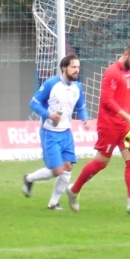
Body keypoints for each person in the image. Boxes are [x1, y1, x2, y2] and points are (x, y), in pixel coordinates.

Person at [65, 41, 130, 215]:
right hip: (109, 125)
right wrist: (128, 116)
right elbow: (107, 101)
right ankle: (74, 189)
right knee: (102, 162)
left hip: (126, 127)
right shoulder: (111, 72)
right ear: (126, 54)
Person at [22, 54, 87, 209]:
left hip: (66, 133)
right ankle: (29, 178)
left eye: (78, 67)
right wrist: (48, 114)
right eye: (73, 67)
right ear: (64, 67)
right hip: (50, 132)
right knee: (57, 170)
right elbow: (34, 104)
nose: (76, 70)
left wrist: (85, 119)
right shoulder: (51, 84)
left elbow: (81, 107)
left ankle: (53, 203)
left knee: (68, 167)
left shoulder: (78, 87)